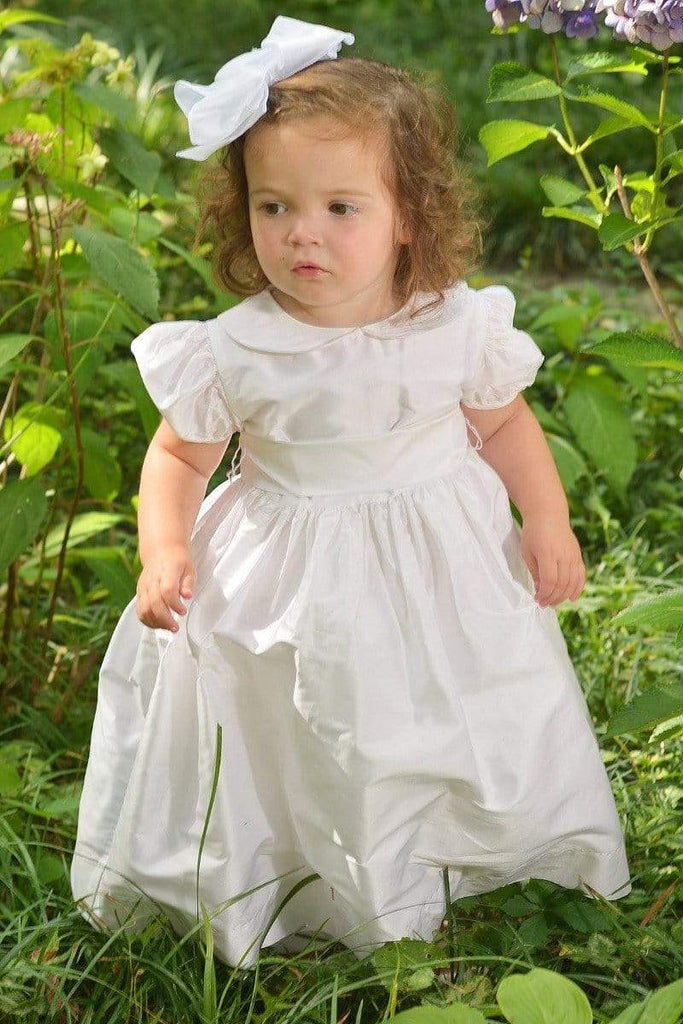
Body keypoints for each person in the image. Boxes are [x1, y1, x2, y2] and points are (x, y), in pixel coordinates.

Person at [70, 14, 632, 970]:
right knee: (306, 722)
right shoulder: (237, 346)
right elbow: (177, 457)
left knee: (451, 699)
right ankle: (310, 867)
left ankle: (449, 844)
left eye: (341, 208)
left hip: (437, 553)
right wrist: (164, 547)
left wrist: (546, 516)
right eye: (274, 206)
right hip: (290, 563)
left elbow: (500, 424)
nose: (302, 235)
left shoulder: (449, 324)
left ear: (407, 212)